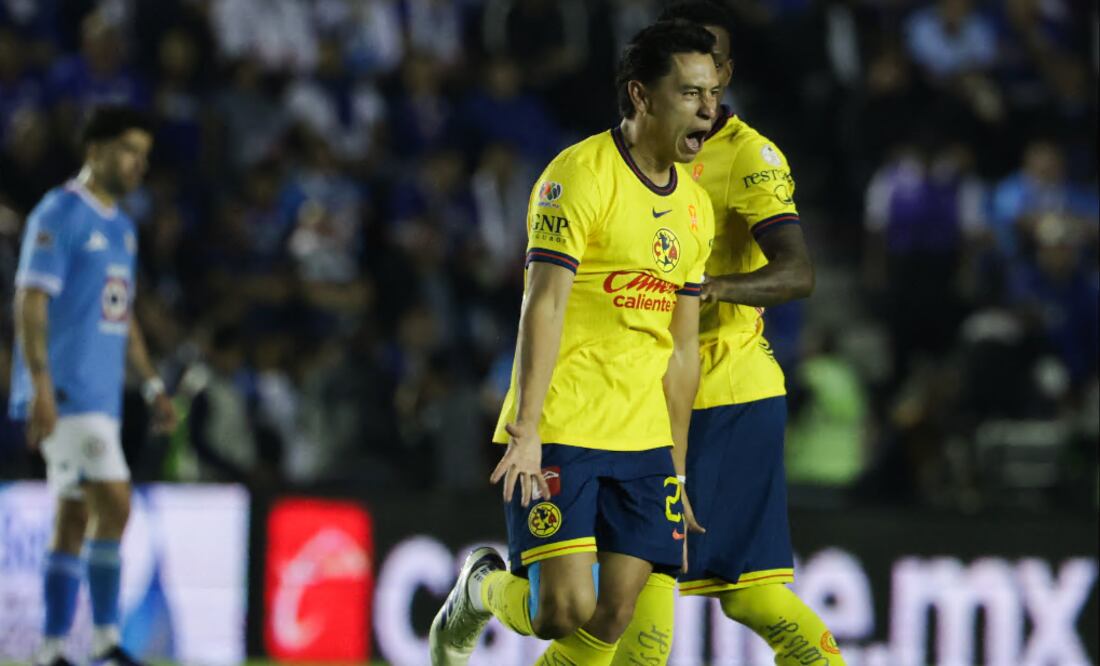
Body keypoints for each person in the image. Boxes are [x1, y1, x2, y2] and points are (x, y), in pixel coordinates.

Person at [429, 20, 719, 666]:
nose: (708, 109)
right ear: (641, 96)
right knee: (560, 611)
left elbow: (682, 350)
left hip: (643, 436)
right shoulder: (578, 176)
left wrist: (677, 468)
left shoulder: (697, 210)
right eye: (690, 93)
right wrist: (528, 427)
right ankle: (481, 585)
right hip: (566, 420)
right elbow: (544, 303)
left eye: (712, 94)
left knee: (615, 613)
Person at [611, 3, 849, 666]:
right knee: (746, 596)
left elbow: (798, 271)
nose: (701, 81)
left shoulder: (748, 156)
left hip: (722, 392)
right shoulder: (627, 153)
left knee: (653, 582)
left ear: (726, 72)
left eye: (710, 64)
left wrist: (711, 287)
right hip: (641, 390)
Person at [9, 105, 176, 666]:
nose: (138, 165)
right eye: (129, 151)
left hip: (104, 397)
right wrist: (40, 383)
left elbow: (121, 316)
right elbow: (30, 298)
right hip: (66, 393)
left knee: (75, 517)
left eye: (144, 156)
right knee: (117, 500)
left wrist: (151, 385)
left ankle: (53, 646)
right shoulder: (60, 212)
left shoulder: (123, 228)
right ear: (96, 150)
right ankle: (104, 637)